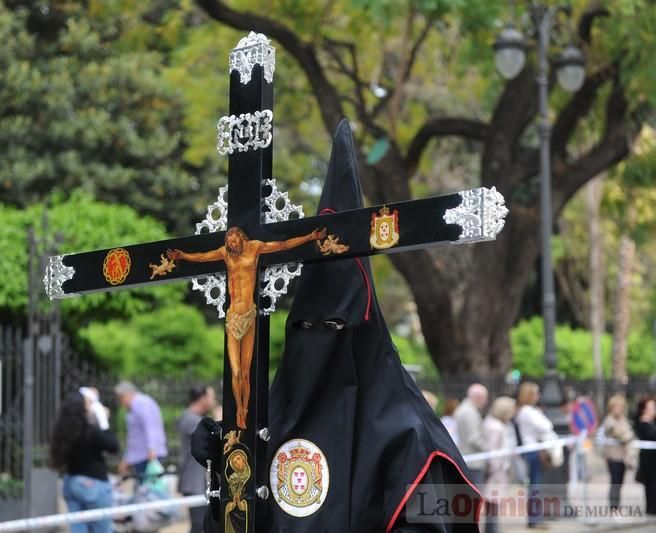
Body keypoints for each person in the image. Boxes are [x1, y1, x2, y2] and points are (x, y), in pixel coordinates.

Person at [192, 120, 480, 532]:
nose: (318, 338)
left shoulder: (416, 436)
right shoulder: (267, 425)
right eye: (306, 326)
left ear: (364, 338)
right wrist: (225, 467)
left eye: (333, 326)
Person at [168, 227, 325, 429]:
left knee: (245, 371)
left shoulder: (255, 247)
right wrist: (183, 255)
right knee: (234, 371)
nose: (231, 245)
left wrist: (310, 236)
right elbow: (202, 257)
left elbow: (283, 244)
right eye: (229, 242)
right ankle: (238, 407)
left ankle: (244, 411)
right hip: (233, 316)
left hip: (249, 314)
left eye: (234, 241)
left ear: (241, 238)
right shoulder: (225, 253)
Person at [50, 390, 119, 533]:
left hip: (71, 483)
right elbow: (113, 445)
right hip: (92, 484)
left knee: (78, 529)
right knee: (102, 528)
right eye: (88, 405)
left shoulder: (63, 432)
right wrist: (103, 421)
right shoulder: (89, 432)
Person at [177, 386, 216, 533]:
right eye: (211, 397)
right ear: (202, 398)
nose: (213, 401)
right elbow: (212, 438)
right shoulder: (191, 419)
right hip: (194, 481)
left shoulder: (195, 419)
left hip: (200, 481)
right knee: (199, 524)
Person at [515, 382, 553, 529]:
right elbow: (546, 426)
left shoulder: (527, 411)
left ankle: (535, 518)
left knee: (535, 485)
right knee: (535, 486)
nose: (538, 396)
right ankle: (534, 519)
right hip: (533, 450)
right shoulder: (527, 411)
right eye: (536, 393)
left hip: (533, 449)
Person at [115, 381, 167, 481]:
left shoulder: (141, 404)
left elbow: (150, 427)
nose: (120, 402)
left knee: (149, 489)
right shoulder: (137, 404)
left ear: (126, 395)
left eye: (120, 398)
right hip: (143, 455)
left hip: (147, 456)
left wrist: (152, 449)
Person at [483, 396, 517, 533]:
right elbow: (492, 450)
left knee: (494, 502)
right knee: (493, 501)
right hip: (496, 472)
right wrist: (495, 468)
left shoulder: (494, 423)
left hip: (498, 470)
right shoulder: (495, 427)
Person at [600, 394, 635, 511]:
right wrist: (627, 436)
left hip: (623, 456)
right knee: (615, 481)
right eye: (617, 407)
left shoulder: (623, 419)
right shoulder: (609, 420)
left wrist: (628, 436)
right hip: (613, 456)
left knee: (620, 481)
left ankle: (617, 504)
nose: (619, 409)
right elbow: (619, 434)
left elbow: (628, 433)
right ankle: (613, 506)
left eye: (621, 407)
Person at [454, 384, 488, 484]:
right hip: (473, 461)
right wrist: (488, 449)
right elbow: (474, 438)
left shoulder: (463, 409)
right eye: (485, 398)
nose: (486, 401)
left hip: (467, 458)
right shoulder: (470, 412)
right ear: (478, 397)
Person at [635, 396, 656, 515]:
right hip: (649, 461)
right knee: (651, 484)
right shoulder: (644, 423)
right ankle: (651, 508)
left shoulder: (652, 422)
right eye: (652, 407)